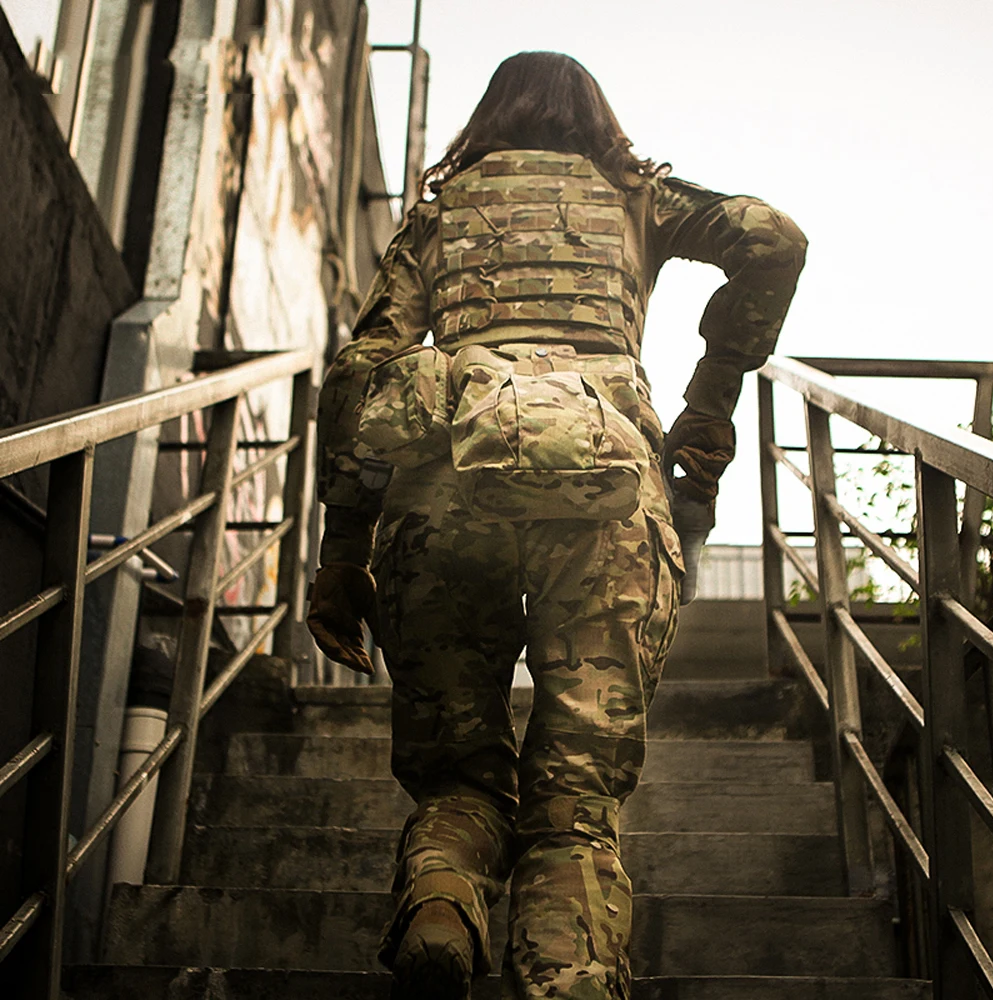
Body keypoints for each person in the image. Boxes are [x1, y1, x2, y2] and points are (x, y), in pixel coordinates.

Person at [307, 51, 806, 1000]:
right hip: (608, 494)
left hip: (442, 491)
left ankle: (443, 901)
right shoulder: (639, 196)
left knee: (457, 773)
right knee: (575, 803)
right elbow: (773, 239)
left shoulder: (438, 214)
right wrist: (709, 400)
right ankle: (567, 978)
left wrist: (343, 556)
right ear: (596, 118)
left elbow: (359, 375)